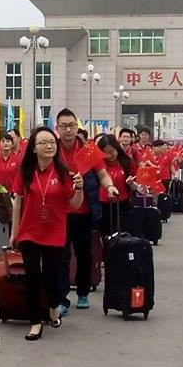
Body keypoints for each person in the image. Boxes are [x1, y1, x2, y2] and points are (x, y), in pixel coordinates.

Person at [10, 127, 84, 340]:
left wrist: (79, 189)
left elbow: (75, 204)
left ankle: (53, 306)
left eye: (52, 142)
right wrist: (14, 232)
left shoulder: (64, 173)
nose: (49, 145)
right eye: (43, 142)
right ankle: (35, 322)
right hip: (29, 232)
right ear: (33, 148)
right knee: (33, 276)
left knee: (52, 276)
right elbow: (17, 203)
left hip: (54, 231)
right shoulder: (25, 172)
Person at [53, 108, 117, 312]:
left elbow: (102, 174)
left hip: (85, 212)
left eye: (71, 125)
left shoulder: (89, 150)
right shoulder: (52, 149)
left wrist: (110, 186)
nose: (68, 130)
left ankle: (82, 293)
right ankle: (62, 299)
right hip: (59, 213)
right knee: (60, 255)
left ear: (76, 126)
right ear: (57, 128)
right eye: (64, 126)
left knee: (84, 254)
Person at [95, 134, 136, 235]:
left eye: (112, 151)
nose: (110, 155)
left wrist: (132, 184)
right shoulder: (97, 165)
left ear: (117, 149)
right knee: (104, 234)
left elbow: (137, 187)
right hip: (102, 205)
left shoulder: (127, 163)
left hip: (122, 204)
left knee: (121, 234)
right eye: (106, 153)